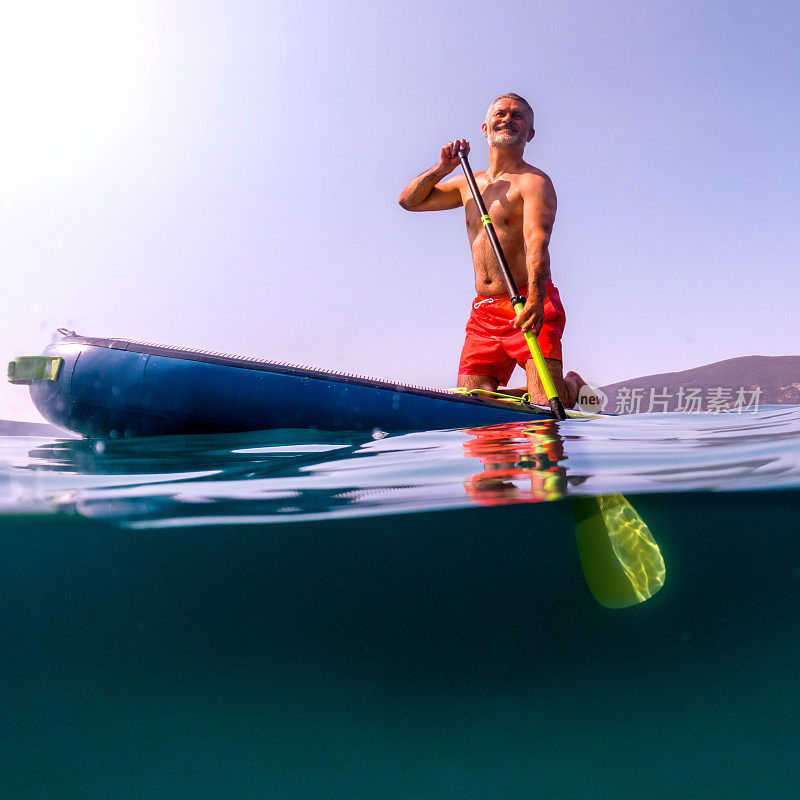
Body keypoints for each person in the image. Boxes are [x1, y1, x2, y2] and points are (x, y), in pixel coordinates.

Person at [398, 93, 587, 407]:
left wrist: (538, 300)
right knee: (472, 406)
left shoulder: (534, 182)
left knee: (546, 408)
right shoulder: (466, 183)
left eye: (518, 116)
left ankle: (571, 387)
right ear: (485, 128)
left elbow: (537, 242)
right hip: (484, 312)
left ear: (530, 133)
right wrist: (443, 167)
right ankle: (521, 396)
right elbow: (408, 201)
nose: (508, 119)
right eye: (501, 113)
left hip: (528, 299)